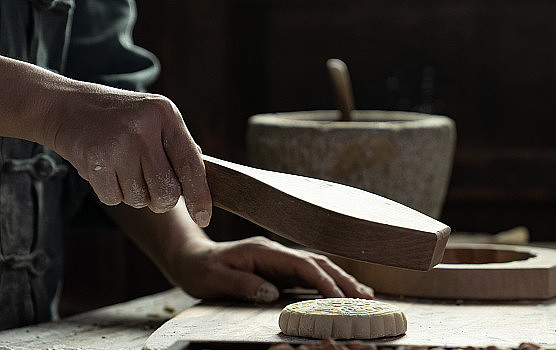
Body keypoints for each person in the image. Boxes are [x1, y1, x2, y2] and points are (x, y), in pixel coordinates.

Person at [0, 0, 372, 330]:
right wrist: (57, 107)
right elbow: (83, 108)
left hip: (29, 330)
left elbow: (112, 119)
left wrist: (187, 252)